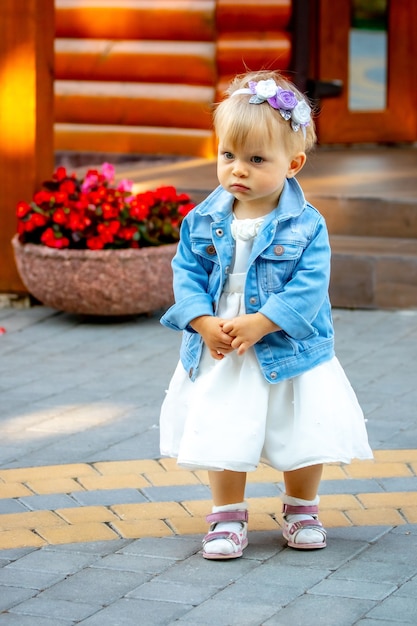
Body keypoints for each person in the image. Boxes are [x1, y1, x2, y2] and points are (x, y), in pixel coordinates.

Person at [159, 70, 373, 560]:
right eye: (228, 155)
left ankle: (302, 507)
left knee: (301, 426)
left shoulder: (307, 224)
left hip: (286, 344)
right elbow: (186, 271)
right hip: (225, 340)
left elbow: (311, 286)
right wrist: (200, 320)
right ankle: (227, 515)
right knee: (223, 422)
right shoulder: (203, 219)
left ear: (293, 164)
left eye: (256, 159)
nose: (238, 169)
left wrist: (264, 321)